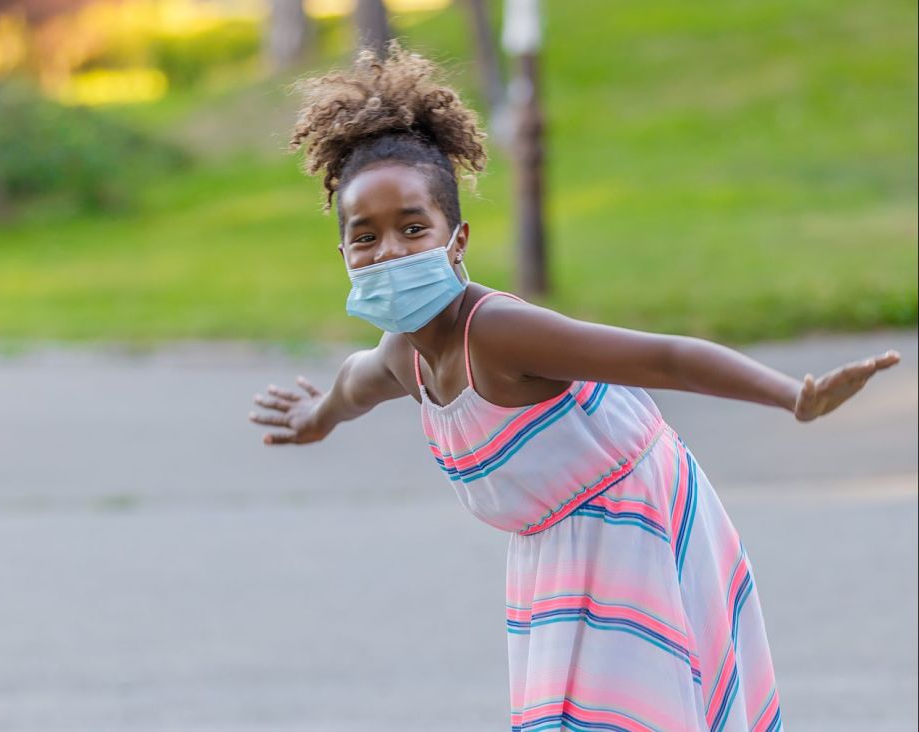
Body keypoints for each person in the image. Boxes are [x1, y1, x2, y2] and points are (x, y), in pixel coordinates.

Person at [247, 42, 900, 731]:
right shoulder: (399, 357)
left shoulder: (500, 334)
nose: (390, 253)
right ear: (343, 252)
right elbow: (352, 386)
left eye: (414, 229)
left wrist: (791, 396)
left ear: (457, 240)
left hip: (634, 523)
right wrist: (316, 417)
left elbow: (667, 358)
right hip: (551, 551)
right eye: (366, 238)